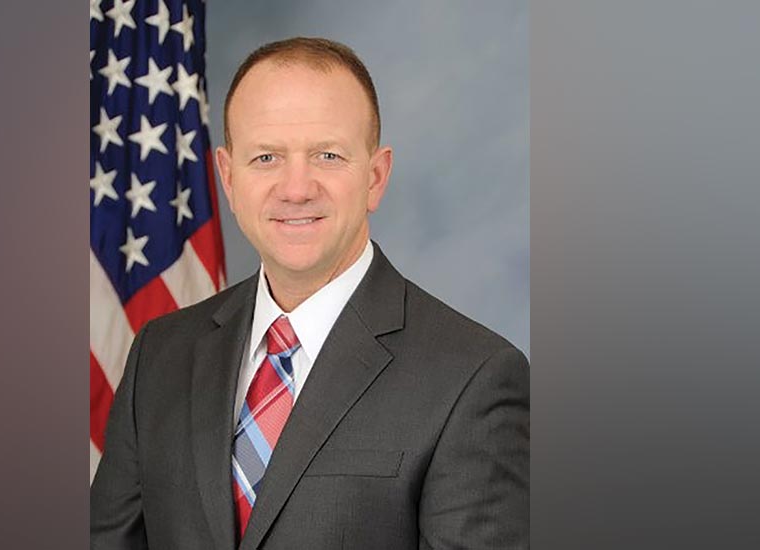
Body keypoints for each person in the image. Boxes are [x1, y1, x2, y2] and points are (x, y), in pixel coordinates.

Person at [91, 37, 529, 550]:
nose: (296, 188)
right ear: (228, 178)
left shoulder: (473, 379)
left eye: (327, 155)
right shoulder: (159, 354)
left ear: (376, 177)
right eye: (266, 157)